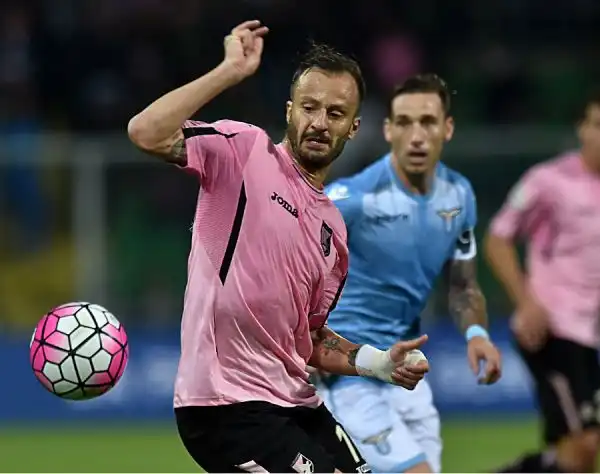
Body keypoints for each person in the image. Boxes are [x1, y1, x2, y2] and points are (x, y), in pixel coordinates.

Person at [127, 20, 430, 474]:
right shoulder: (243, 152)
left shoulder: (334, 232)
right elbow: (145, 132)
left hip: (297, 404)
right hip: (226, 407)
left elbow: (305, 340)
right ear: (290, 110)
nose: (320, 122)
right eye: (310, 107)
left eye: (335, 113)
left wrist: (380, 364)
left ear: (353, 128)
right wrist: (228, 72)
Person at [319, 74, 502, 473]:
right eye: (404, 122)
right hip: (352, 372)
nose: (416, 135)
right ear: (388, 130)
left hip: (407, 373)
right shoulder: (352, 200)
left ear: (447, 128)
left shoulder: (459, 196)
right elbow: (291, 274)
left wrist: (477, 334)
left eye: (427, 121)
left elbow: (463, 285)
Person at [485, 91, 600, 473]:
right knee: (585, 443)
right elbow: (498, 238)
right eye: (597, 124)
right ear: (581, 128)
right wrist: (527, 303)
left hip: (589, 335)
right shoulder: (548, 181)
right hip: (551, 328)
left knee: (573, 458)